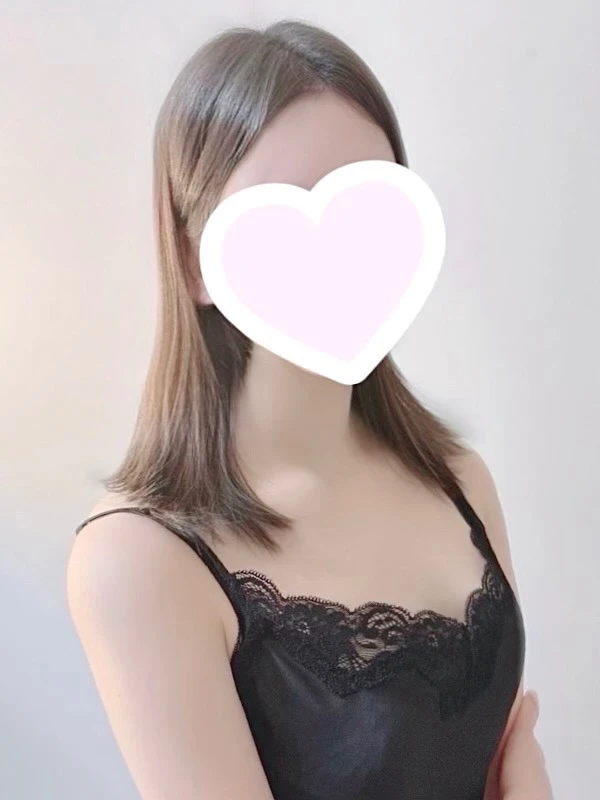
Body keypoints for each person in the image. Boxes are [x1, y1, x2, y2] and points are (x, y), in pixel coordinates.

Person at [66, 19, 551, 800]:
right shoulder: (140, 561)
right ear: (194, 260)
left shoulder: (460, 480)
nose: (339, 254)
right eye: (279, 215)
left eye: (372, 211)